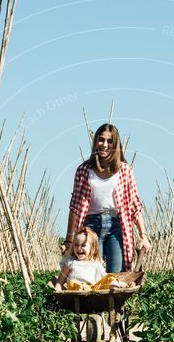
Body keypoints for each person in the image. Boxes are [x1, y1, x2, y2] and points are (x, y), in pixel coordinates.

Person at [62, 123, 151, 272]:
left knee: (117, 274)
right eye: (101, 140)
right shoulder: (84, 170)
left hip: (116, 226)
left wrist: (143, 236)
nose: (104, 145)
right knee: (89, 272)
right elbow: (75, 207)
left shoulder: (125, 170)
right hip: (90, 227)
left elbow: (134, 204)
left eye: (110, 141)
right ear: (96, 141)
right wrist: (69, 239)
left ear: (115, 145)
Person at [54, 227, 126, 291]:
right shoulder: (70, 263)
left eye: (83, 245)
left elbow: (104, 276)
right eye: (76, 245)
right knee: (72, 282)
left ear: (92, 248)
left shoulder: (95, 263)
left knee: (110, 278)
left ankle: (116, 285)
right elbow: (60, 280)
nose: (79, 248)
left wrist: (111, 281)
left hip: (93, 289)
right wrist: (58, 286)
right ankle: (116, 285)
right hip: (77, 289)